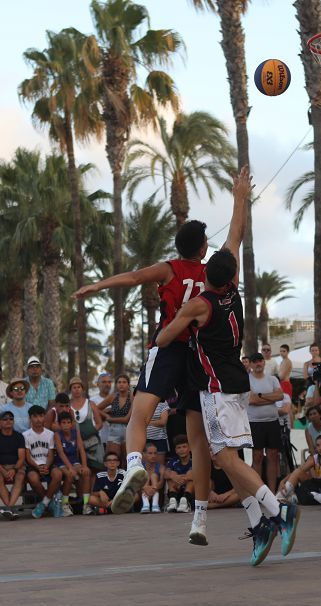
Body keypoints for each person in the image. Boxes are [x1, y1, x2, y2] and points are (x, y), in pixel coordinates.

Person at [73, 167, 251, 521]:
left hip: (168, 347)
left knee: (139, 413)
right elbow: (236, 235)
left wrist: (98, 285)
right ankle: (200, 517)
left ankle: (134, 464)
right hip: (197, 357)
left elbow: (133, 277)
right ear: (203, 248)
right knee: (196, 437)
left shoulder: (169, 269)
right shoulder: (212, 274)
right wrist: (240, 199)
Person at [156, 247, 300, 565]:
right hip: (236, 383)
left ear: (206, 273)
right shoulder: (233, 292)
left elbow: (164, 339)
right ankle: (259, 525)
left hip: (216, 389)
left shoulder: (199, 304)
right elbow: (234, 240)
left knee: (223, 458)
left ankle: (278, 511)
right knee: (229, 460)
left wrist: (175, 312)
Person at [246, 352, 284, 492]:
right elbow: (252, 400)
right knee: (257, 457)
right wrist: (271, 398)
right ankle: (259, 492)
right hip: (255, 423)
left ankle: (272, 492)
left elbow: (280, 396)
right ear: (250, 364)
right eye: (255, 361)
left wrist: (260, 395)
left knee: (273, 457)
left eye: (260, 360)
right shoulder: (247, 379)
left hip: (272, 422)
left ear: (264, 362)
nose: (258, 363)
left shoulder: (272, 379)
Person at [0, 411, 28, 520]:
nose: (8, 421)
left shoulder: (19, 436)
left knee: (20, 477)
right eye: (5, 419)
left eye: (11, 419)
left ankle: (9, 508)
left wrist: (14, 469)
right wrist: (4, 471)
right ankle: (10, 508)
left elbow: (21, 458)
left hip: (16, 466)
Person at [51, 410, 91, 516]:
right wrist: (71, 468)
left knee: (86, 473)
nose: (66, 425)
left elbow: (81, 449)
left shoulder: (75, 432)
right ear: (59, 424)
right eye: (63, 423)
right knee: (70, 475)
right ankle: (64, 504)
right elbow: (61, 453)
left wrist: (84, 466)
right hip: (61, 462)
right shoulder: (57, 435)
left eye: (68, 422)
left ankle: (86, 504)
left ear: (72, 424)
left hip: (74, 461)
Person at [22, 405, 54, 519]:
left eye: (41, 416)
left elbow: (50, 454)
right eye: (35, 416)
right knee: (32, 477)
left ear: (44, 417)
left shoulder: (50, 434)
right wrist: (38, 467)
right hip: (34, 465)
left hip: (48, 464)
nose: (38, 419)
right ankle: (51, 503)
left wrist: (46, 466)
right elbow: (28, 457)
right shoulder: (25, 435)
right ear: (30, 418)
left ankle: (44, 503)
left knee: (58, 474)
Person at [99, 375, 132, 462]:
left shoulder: (132, 397)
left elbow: (126, 419)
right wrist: (106, 414)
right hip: (114, 431)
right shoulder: (113, 397)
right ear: (116, 385)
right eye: (119, 382)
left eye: (124, 382)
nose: (121, 384)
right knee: (112, 460)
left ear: (128, 385)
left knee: (127, 461)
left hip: (128, 430)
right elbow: (96, 408)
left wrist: (110, 419)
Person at [164, 435, 194, 512]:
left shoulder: (194, 460)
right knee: (171, 474)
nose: (182, 450)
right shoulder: (173, 461)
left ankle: (185, 501)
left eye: (184, 447)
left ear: (190, 448)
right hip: (177, 489)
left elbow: (196, 475)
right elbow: (165, 474)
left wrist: (183, 478)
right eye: (179, 447)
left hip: (192, 492)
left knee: (191, 474)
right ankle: (173, 501)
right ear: (176, 450)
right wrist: (174, 476)